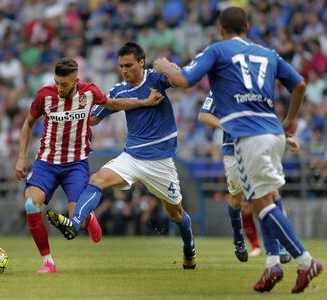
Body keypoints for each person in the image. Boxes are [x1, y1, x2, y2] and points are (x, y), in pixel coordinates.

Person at [153, 6, 323, 293]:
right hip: (273, 132)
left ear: (221, 29)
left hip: (247, 136)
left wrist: (165, 66)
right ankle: (272, 264)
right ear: (247, 27)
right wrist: (292, 118)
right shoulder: (268, 53)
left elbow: (183, 80)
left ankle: (306, 262)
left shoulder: (218, 50)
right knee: (268, 197)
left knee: (260, 203)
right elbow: (300, 84)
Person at [47, 42, 197, 270]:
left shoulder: (156, 78)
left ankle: (189, 250)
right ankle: (74, 224)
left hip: (160, 162)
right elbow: (95, 118)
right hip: (132, 158)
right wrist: (74, 107)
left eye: (129, 65)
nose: (125, 71)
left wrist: (169, 68)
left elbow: (182, 82)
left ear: (141, 62)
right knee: (96, 180)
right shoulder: (118, 91)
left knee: (176, 214)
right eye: (121, 66)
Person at [14, 57, 164, 273]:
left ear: (76, 80)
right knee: (31, 205)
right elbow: (28, 123)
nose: (60, 88)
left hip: (75, 165)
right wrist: (21, 157)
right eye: (57, 82)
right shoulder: (44, 96)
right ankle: (48, 261)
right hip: (46, 163)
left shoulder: (89, 92)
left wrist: (144, 102)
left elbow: (112, 104)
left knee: (78, 221)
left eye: (64, 84)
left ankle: (89, 218)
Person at [198, 91, 297, 263]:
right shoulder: (219, 86)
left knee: (273, 194)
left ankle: (281, 244)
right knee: (237, 200)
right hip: (233, 150)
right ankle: (238, 238)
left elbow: (265, 117)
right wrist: (226, 125)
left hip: (258, 146)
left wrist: (285, 137)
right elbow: (203, 115)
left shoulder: (255, 86)